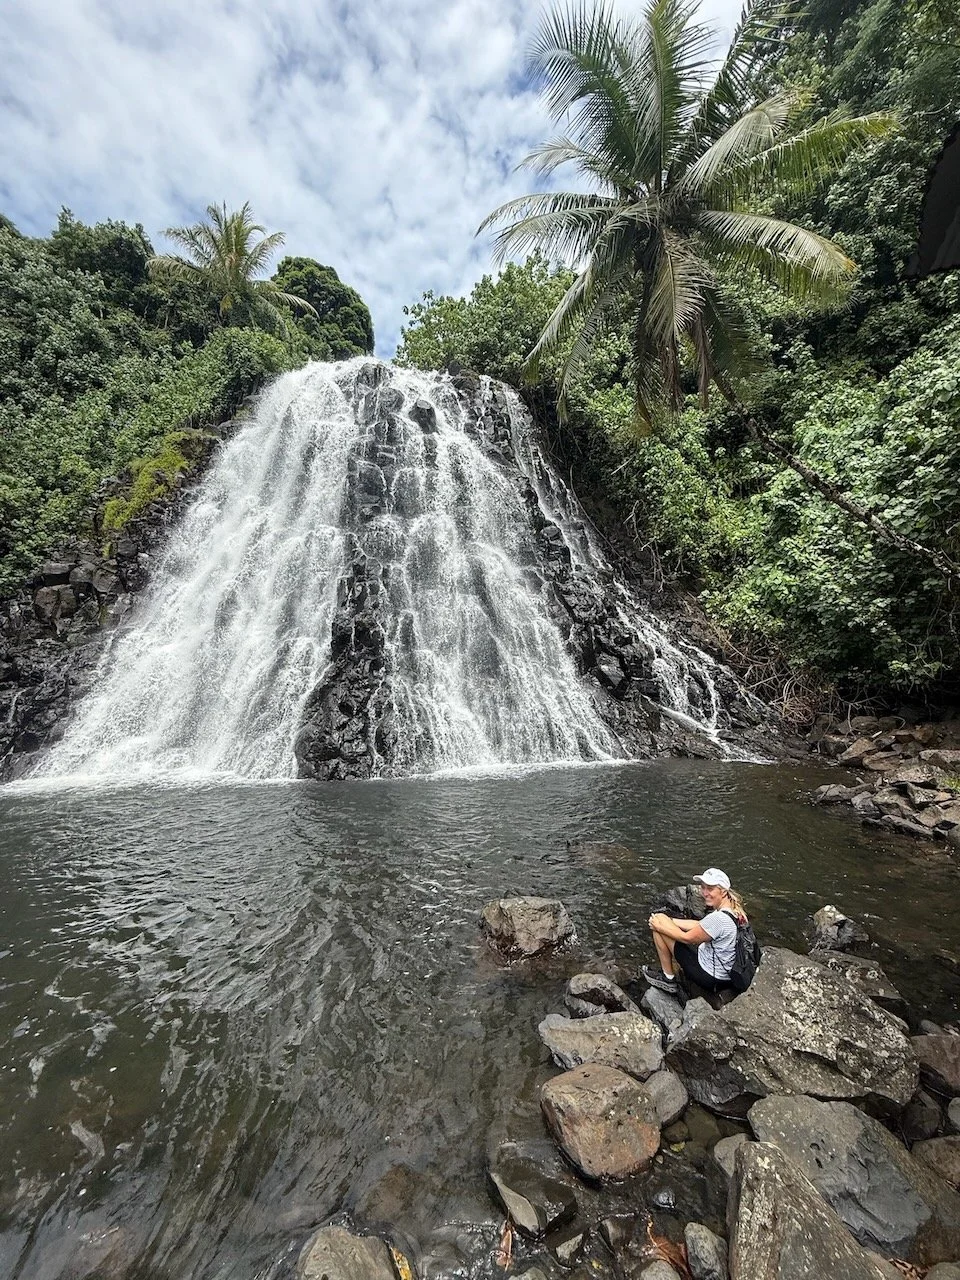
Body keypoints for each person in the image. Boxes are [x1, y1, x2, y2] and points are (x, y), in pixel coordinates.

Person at [641, 868, 747, 996]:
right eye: (703, 887)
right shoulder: (734, 911)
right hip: (725, 975)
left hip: (710, 977)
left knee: (658, 927)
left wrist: (660, 926)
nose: (705, 893)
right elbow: (700, 925)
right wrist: (669, 920)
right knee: (661, 920)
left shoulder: (719, 919)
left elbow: (686, 938)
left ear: (723, 892)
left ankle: (668, 979)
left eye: (710, 889)